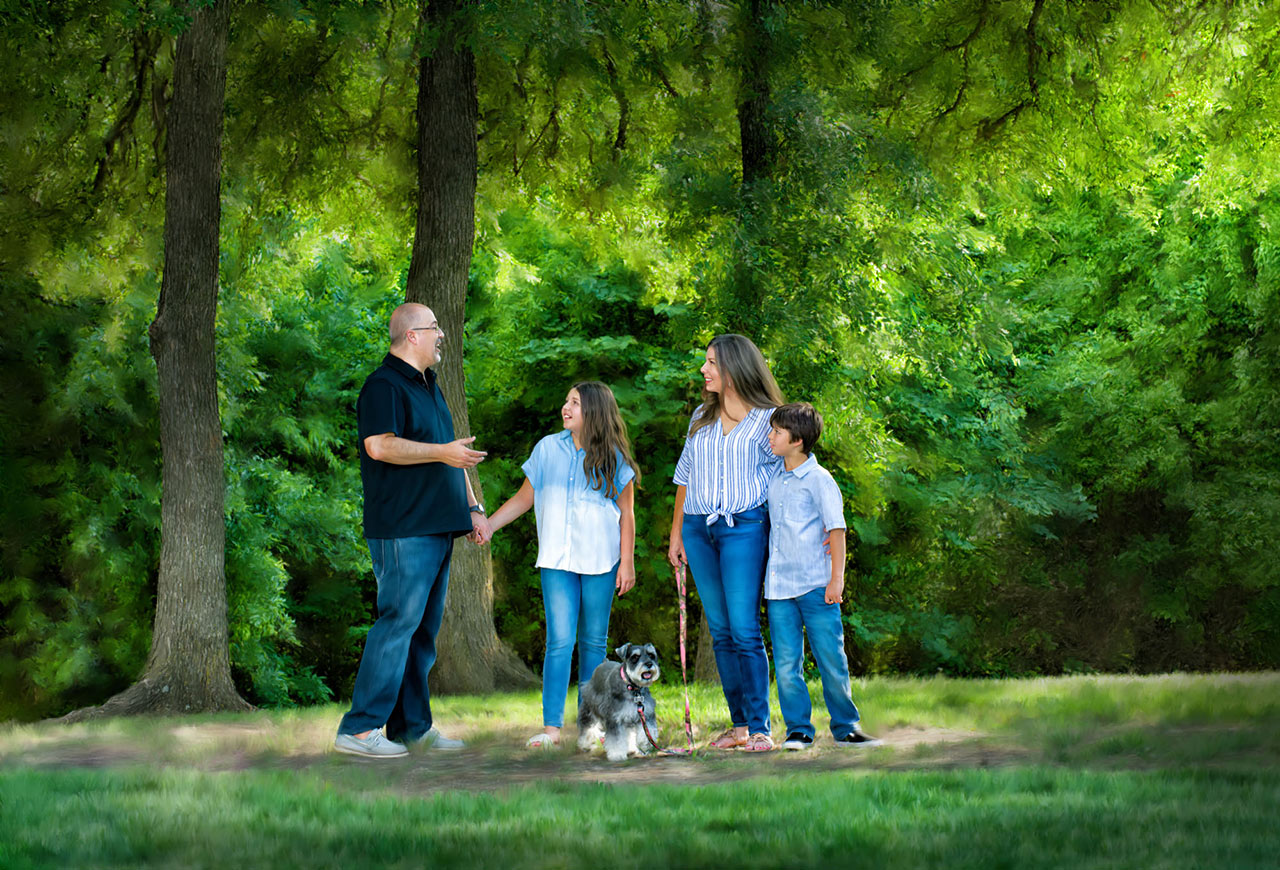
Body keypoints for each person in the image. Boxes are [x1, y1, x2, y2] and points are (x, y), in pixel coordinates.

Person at [333, 302, 491, 759]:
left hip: (440, 527)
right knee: (398, 624)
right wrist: (442, 453)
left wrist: (475, 508)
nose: (442, 334)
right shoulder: (382, 387)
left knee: (422, 632)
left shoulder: (431, 386)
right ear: (411, 336)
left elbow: (452, 454)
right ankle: (359, 730)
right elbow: (380, 446)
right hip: (403, 530)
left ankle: (412, 728)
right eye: (434, 328)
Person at [482, 382, 639, 748]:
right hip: (556, 560)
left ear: (595, 412)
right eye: (566, 400)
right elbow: (524, 497)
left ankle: (591, 727)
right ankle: (551, 729)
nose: (565, 408)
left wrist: (626, 563)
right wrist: (489, 524)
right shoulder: (547, 449)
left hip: (601, 560)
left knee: (594, 645)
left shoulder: (613, 456)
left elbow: (627, 515)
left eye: (575, 403)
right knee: (560, 641)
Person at [668, 334, 783, 752]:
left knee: (743, 627)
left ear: (735, 367)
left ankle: (759, 726)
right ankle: (738, 727)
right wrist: (677, 531)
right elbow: (684, 475)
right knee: (719, 631)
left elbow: (788, 476)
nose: (704, 369)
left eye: (712, 362)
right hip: (699, 529)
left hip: (744, 528)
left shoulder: (770, 419)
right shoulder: (701, 415)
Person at [763, 402, 881, 750]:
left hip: (816, 584)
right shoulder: (774, 477)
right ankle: (798, 729)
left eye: (777, 432)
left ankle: (846, 726)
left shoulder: (819, 480)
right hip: (779, 587)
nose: (770, 437)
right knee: (786, 664)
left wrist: (836, 579)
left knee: (831, 658)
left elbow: (837, 530)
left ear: (797, 440)